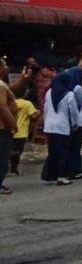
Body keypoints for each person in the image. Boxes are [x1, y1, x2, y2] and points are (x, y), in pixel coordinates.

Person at [41, 67, 82, 186]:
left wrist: (45, 121)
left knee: (53, 151)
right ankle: (62, 176)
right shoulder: (69, 94)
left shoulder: (49, 92)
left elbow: (45, 109)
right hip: (62, 127)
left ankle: (50, 174)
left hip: (49, 127)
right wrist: (75, 124)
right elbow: (74, 111)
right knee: (63, 151)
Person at [9, 87, 39, 176]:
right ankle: (13, 169)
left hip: (10, 130)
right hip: (21, 132)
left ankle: (8, 167)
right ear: (24, 94)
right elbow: (33, 116)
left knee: (10, 150)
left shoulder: (10, 102)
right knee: (17, 152)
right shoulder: (27, 104)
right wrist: (38, 111)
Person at [0, 59, 19, 194]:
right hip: (2, 127)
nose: (7, 67)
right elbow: (2, 107)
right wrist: (13, 124)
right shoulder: (0, 85)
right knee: (2, 157)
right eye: (5, 65)